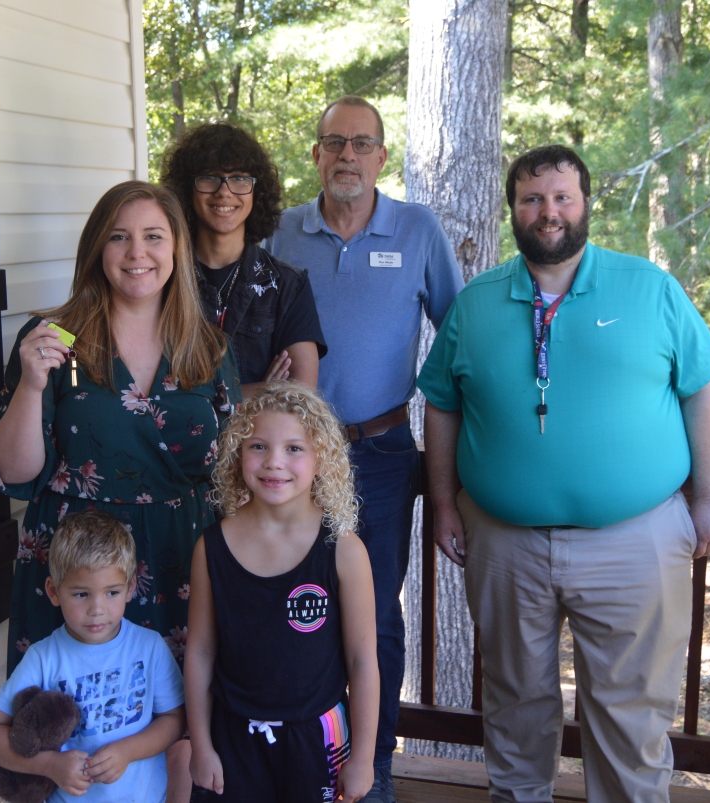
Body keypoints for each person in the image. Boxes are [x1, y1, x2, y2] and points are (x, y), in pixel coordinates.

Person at [417, 144, 710, 803]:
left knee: (629, 707)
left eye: (562, 196)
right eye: (532, 199)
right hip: (504, 541)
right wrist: (444, 504)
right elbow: (442, 404)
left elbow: (703, 390)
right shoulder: (475, 303)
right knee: (513, 696)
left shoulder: (649, 288)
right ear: (513, 211)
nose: (548, 211)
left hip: (636, 539)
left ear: (587, 203)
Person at [0, 180, 241, 801]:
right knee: (58, 720)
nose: (137, 253)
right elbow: (14, 472)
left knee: (172, 716)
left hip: (181, 553)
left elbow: (236, 468)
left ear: (176, 249)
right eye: (119, 237)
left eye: (154, 236)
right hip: (73, 558)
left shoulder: (207, 346)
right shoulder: (52, 338)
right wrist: (30, 385)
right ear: (97, 249)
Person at [265, 95, 463, 802]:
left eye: (362, 143)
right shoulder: (280, 233)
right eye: (333, 142)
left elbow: (460, 335)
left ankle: (370, 772)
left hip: (379, 454)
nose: (346, 155)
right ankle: (298, 764)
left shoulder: (416, 229)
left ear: (382, 156)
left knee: (373, 615)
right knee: (291, 605)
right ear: (315, 154)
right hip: (284, 460)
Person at [185, 384, 380, 803]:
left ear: (321, 459)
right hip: (233, 737)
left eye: (294, 448)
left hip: (317, 739)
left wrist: (363, 758)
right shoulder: (212, 547)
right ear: (238, 454)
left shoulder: (343, 550)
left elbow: (362, 661)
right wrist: (201, 745)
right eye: (258, 445)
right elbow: (200, 653)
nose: (275, 462)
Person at [0, 509, 186, 802]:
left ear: (130, 588)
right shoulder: (44, 658)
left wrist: (128, 751)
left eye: (112, 592)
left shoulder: (149, 647)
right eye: (81, 594)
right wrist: (50, 766)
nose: (97, 609)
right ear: (53, 591)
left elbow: (175, 719)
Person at [160, 123, 326, 397]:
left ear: (256, 191)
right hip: (178, 441)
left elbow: (299, 398)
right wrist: (259, 391)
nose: (224, 191)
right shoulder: (162, 278)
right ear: (187, 188)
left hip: (256, 440)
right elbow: (151, 390)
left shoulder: (288, 286)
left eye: (239, 178)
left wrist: (199, 395)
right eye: (209, 177)